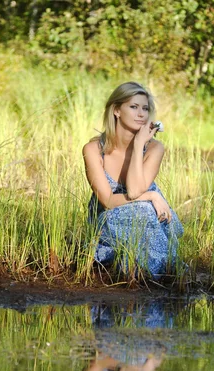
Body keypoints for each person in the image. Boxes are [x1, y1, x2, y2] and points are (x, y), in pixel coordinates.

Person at [82, 81, 183, 279]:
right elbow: (108, 201)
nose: (141, 114)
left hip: (149, 221)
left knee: (145, 214)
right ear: (117, 111)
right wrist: (152, 195)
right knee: (144, 210)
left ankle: (142, 271)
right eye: (134, 107)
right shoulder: (93, 150)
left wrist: (138, 145)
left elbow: (135, 189)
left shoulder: (154, 148)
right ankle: (153, 273)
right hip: (109, 220)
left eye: (145, 109)